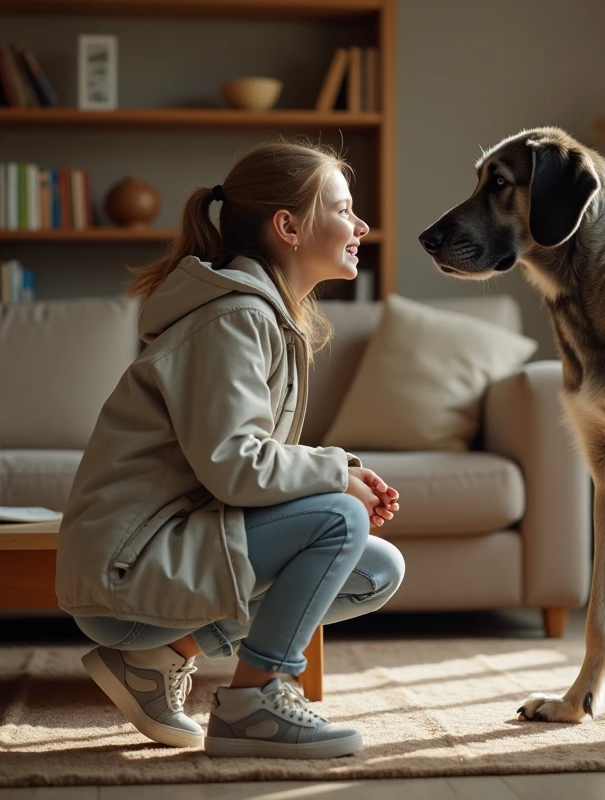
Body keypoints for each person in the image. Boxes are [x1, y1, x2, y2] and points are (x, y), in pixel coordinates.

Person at [54, 140, 404, 760]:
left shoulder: (259, 314)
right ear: (288, 226)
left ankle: (157, 659)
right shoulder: (234, 318)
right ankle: (254, 702)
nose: (361, 225)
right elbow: (236, 465)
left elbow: (236, 457)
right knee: (339, 518)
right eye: (345, 209)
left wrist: (338, 471)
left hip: (164, 553)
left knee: (374, 568)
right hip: (128, 568)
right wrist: (333, 481)